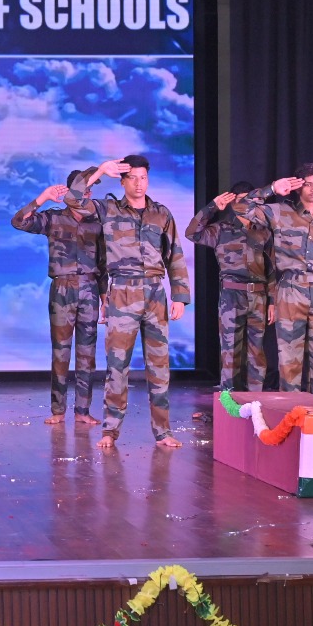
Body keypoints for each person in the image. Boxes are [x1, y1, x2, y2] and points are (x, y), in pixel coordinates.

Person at [68, 155, 190, 450]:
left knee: (159, 366)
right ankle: (110, 431)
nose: (139, 184)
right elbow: (73, 199)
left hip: (155, 294)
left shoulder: (161, 213)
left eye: (143, 178)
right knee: (117, 366)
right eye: (132, 178)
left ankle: (163, 432)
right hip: (123, 292)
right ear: (122, 181)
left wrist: (180, 296)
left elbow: (174, 255)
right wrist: (99, 170)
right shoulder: (108, 209)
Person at [241, 164, 313, 395]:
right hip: (292, 288)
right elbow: (241, 207)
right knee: (289, 355)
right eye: (309, 184)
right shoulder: (280, 212)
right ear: (298, 187)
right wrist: (272, 188)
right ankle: (291, 407)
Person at [11, 170, 105, 425]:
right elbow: (19, 221)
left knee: (87, 354)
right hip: (63, 289)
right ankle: (58, 410)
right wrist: (42, 198)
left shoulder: (97, 221)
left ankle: (83, 411)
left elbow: (103, 263)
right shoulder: (54, 218)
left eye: (89, 191)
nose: (87, 195)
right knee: (61, 352)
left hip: (90, 288)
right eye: (83, 190)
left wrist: (105, 297)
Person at [185, 180, 273, 391]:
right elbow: (192, 233)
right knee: (230, 349)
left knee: (257, 351)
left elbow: (272, 268)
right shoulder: (221, 229)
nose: (246, 205)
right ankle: (230, 397)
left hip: (259, 296)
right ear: (233, 203)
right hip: (231, 295)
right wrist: (212, 207)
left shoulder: (264, 231)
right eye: (241, 201)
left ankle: (256, 398)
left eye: (250, 201)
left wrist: (273, 301)